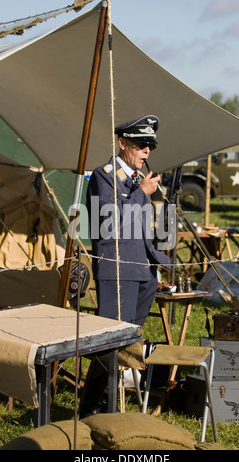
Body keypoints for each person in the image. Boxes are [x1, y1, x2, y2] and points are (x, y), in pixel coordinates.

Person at [79, 115, 171, 418]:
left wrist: (156, 262)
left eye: (150, 146)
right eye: (141, 144)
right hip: (117, 269)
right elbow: (108, 224)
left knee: (129, 340)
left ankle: (109, 406)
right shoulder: (105, 175)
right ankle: (93, 408)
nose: (146, 151)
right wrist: (140, 193)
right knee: (110, 344)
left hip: (142, 270)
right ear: (122, 144)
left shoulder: (136, 181)